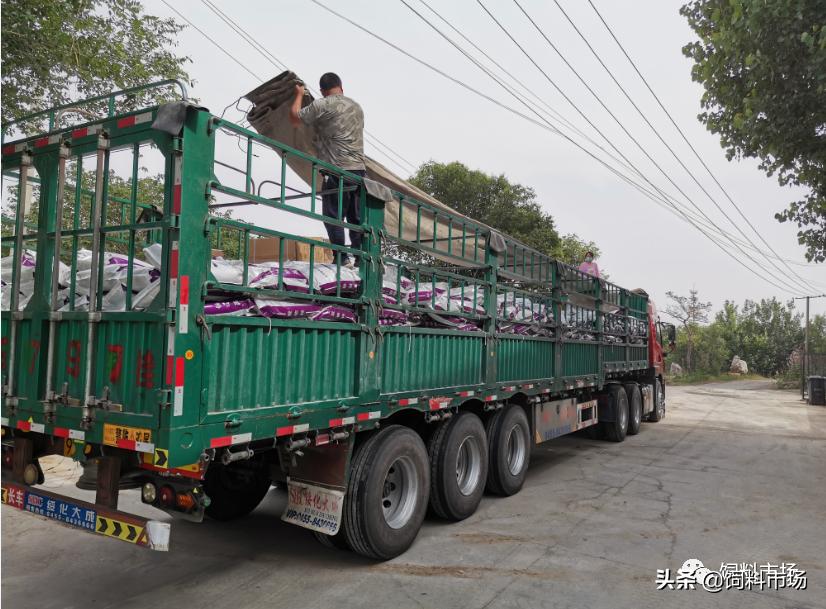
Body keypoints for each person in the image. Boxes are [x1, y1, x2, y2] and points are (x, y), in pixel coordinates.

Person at [289, 72, 365, 267]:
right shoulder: (357, 107)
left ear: (322, 91)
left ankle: (341, 257)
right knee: (356, 218)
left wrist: (298, 94)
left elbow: (296, 119)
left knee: (333, 215)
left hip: (336, 171)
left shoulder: (322, 105)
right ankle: (360, 258)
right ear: (342, 87)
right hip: (358, 171)